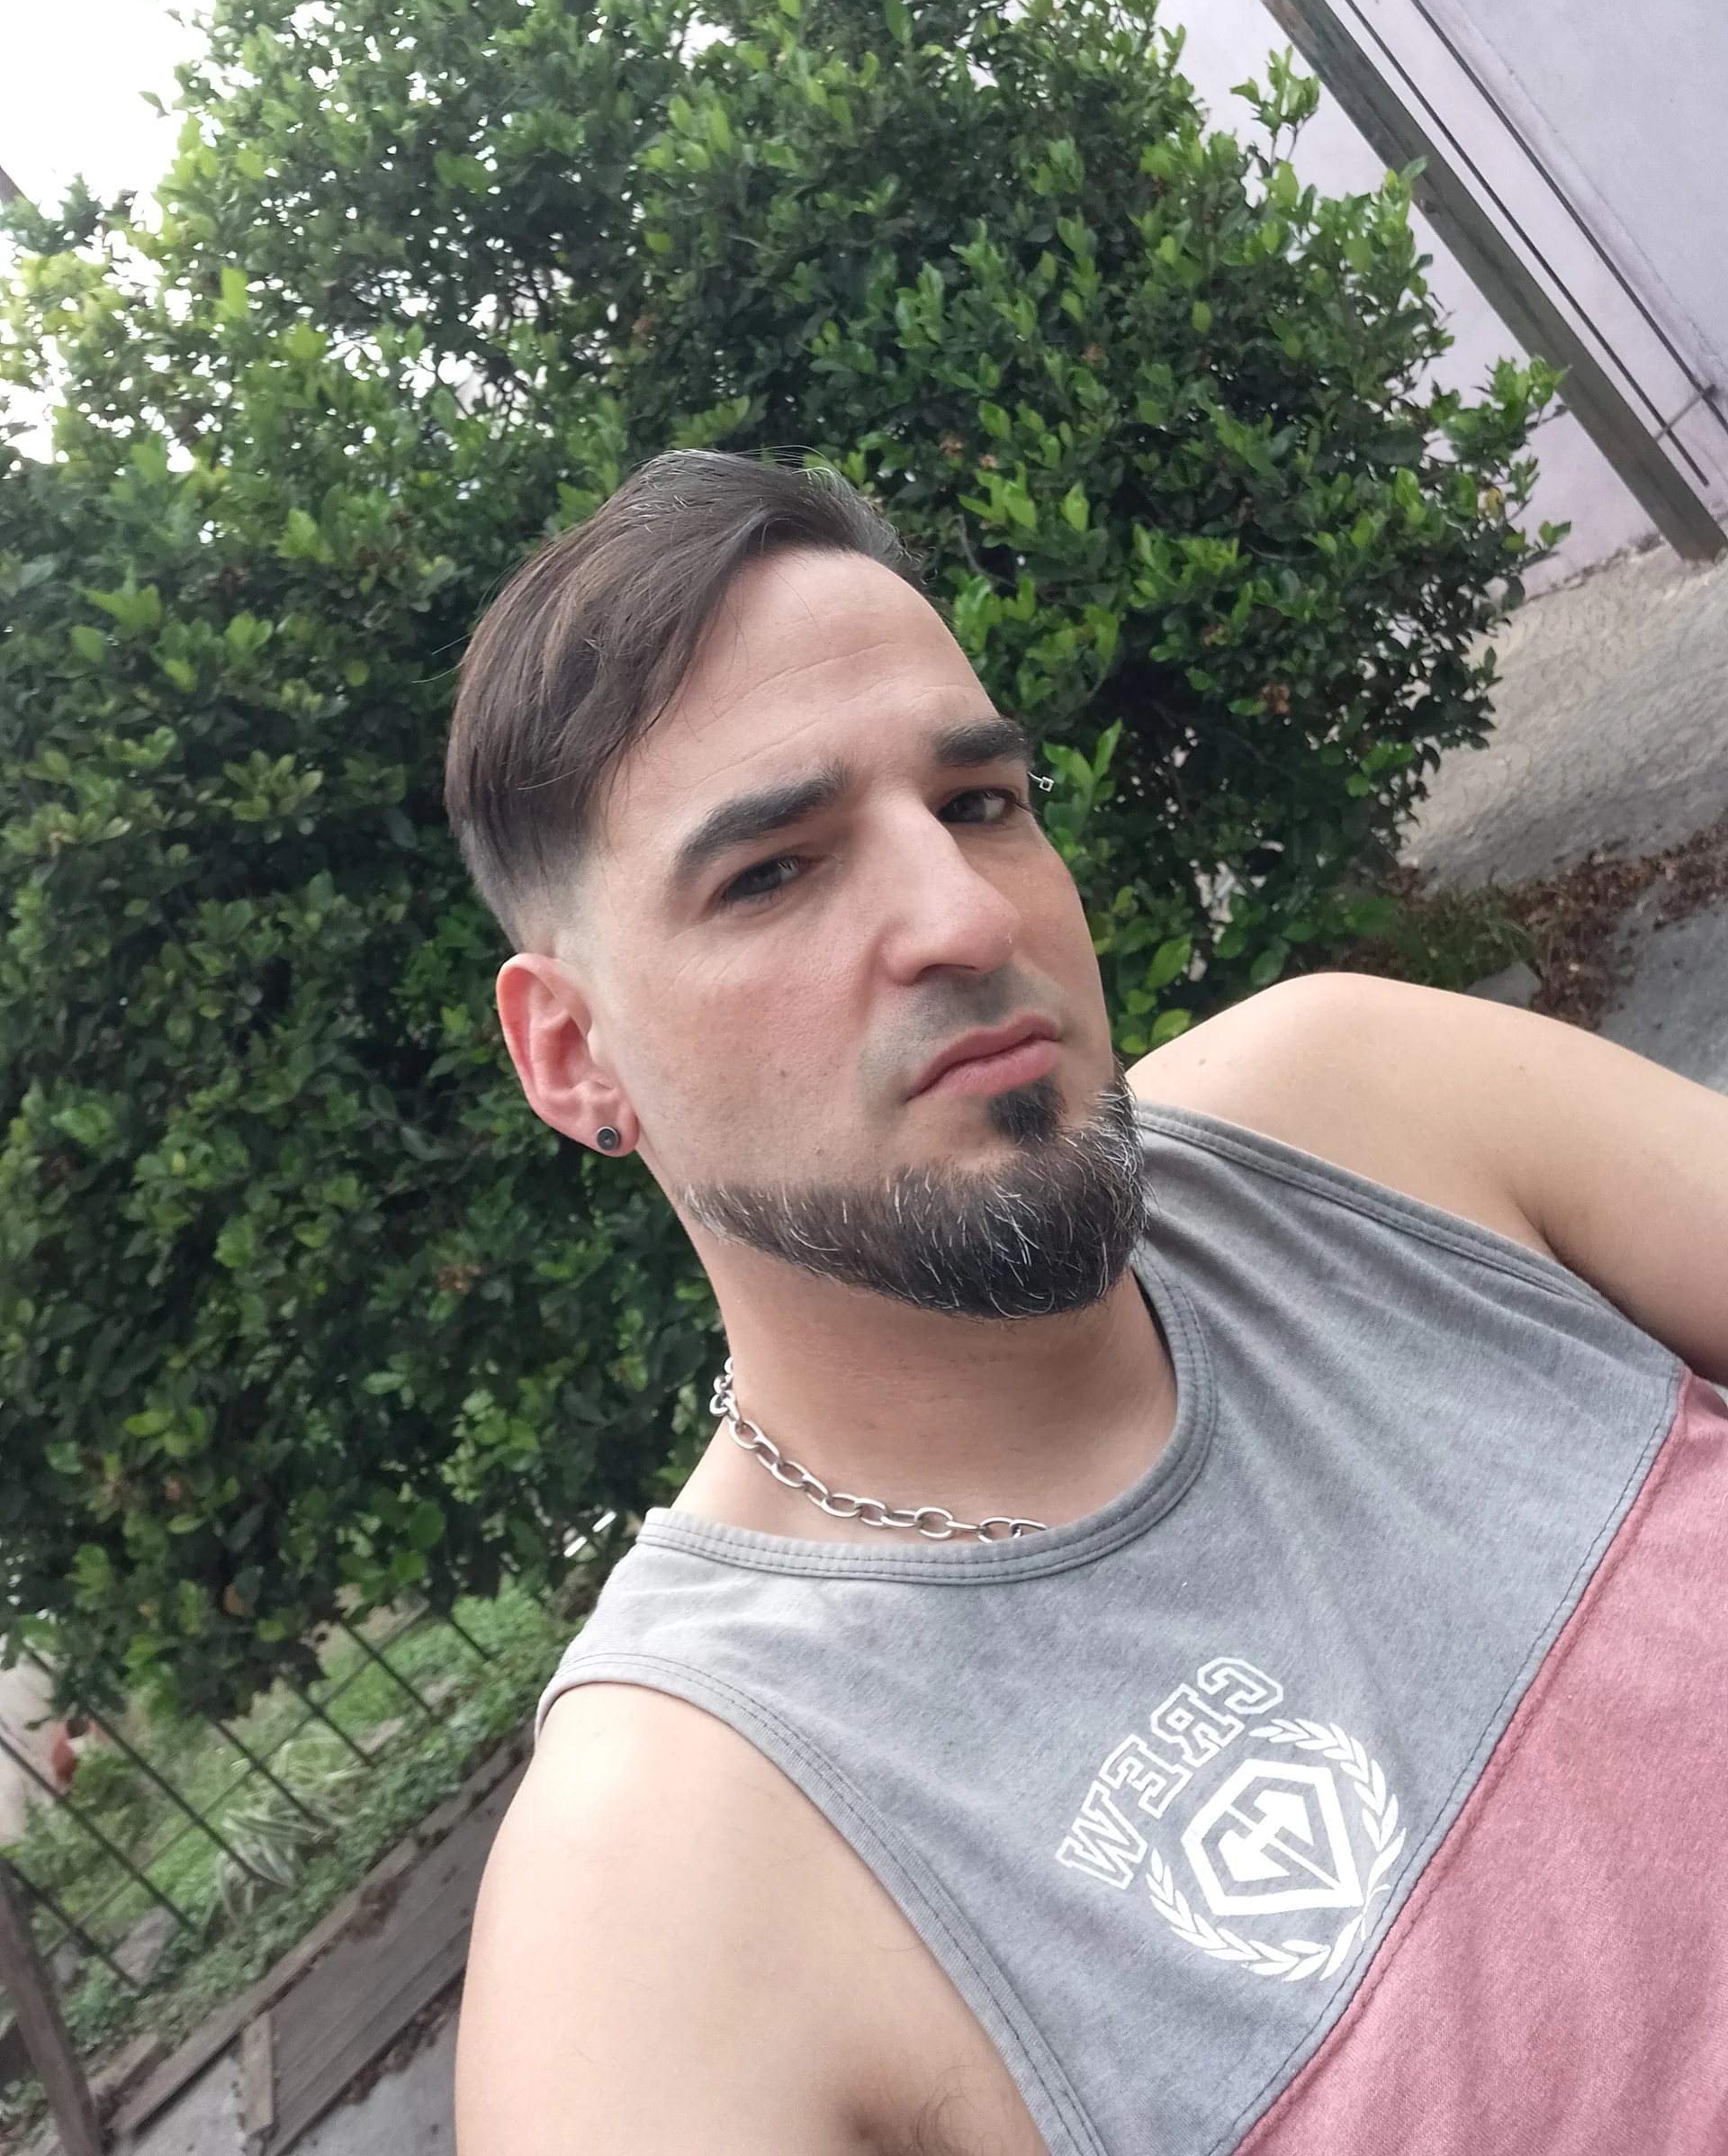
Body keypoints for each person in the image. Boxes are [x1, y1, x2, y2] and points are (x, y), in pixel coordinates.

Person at [448, 452, 1728, 2156]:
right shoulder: (671, 1892)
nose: (967, 917)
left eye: (979, 802)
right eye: (773, 872)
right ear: (573, 1054)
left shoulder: (1370, 1106)